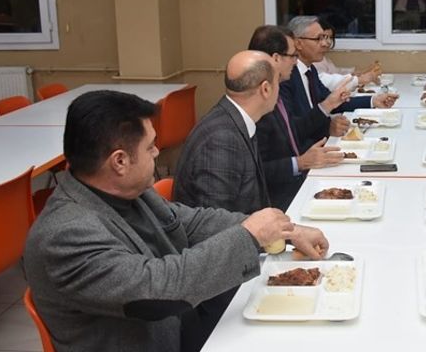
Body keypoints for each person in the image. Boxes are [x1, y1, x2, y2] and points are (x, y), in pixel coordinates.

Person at [23, 90, 329, 352]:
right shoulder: (64, 234)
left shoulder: (128, 191)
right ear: (119, 161)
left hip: (184, 326)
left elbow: (193, 223)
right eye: (150, 147)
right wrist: (250, 237)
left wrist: (284, 230)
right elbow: (159, 290)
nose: (157, 152)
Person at [248, 26, 345, 210]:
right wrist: (301, 163)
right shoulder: (257, 103)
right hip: (277, 199)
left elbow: (292, 133)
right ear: (276, 59)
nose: (295, 62)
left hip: (297, 179)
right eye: (293, 56)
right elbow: (255, 170)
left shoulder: (276, 91)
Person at [174, 51, 279, 214]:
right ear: (265, 89)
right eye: (278, 81)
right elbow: (216, 224)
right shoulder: (221, 139)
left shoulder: (234, 119)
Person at [281, 16, 398, 150]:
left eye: (326, 38)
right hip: (306, 153)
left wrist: (373, 101)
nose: (325, 43)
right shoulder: (286, 77)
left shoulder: (310, 69)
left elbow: (333, 102)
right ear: (298, 43)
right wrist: (326, 129)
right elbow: (291, 131)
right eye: (319, 38)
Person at [313, 18, 380, 91]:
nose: (329, 42)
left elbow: (337, 72)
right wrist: (359, 79)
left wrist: (358, 73)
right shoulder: (314, 62)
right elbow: (327, 82)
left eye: (330, 37)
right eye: (324, 37)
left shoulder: (322, 58)